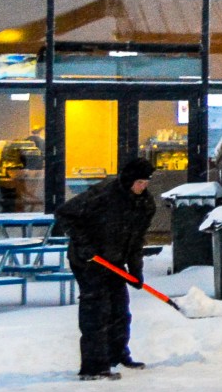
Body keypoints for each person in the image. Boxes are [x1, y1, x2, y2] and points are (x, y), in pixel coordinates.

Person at [54, 156, 157, 380]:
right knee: (96, 311)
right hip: (89, 260)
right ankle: (94, 367)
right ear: (129, 180)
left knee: (120, 309)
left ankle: (116, 355)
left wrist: (135, 271)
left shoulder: (144, 205)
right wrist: (85, 246)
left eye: (146, 183)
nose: (143, 187)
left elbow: (136, 240)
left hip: (114, 261)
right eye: (139, 182)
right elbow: (65, 214)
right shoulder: (103, 195)